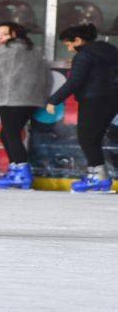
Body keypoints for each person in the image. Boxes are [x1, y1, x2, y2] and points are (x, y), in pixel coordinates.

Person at [0, 22, 52, 189]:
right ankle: (16, 169)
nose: (0, 38)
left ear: (15, 34)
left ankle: (21, 172)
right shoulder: (34, 51)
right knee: (7, 134)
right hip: (28, 100)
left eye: (4, 34)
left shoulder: (4, 51)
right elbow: (47, 77)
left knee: (10, 134)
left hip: (10, 99)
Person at [46, 24, 118, 193]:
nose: (70, 49)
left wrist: (53, 100)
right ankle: (97, 176)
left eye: (69, 44)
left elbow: (74, 82)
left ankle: (99, 178)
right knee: (94, 138)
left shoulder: (84, 56)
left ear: (78, 40)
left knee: (87, 138)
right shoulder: (109, 52)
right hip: (112, 100)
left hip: (93, 100)